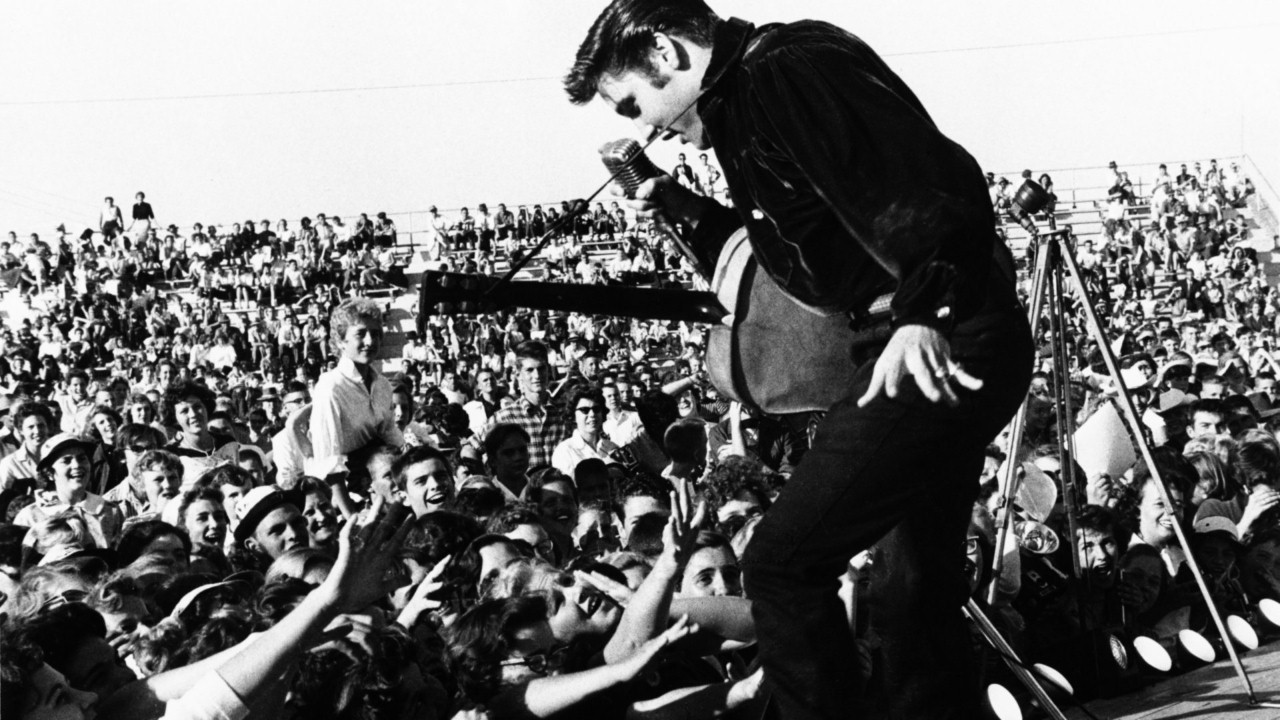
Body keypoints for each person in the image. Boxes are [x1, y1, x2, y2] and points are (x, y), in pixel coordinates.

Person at [566, 3, 1034, 718]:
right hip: (919, 331)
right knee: (911, 591)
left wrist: (924, 311)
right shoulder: (750, 97)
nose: (645, 128)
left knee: (782, 564)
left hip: (931, 333)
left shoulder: (784, 69)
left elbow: (934, 181)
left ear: (663, 52)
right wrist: (680, 206)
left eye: (632, 103)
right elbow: (800, 256)